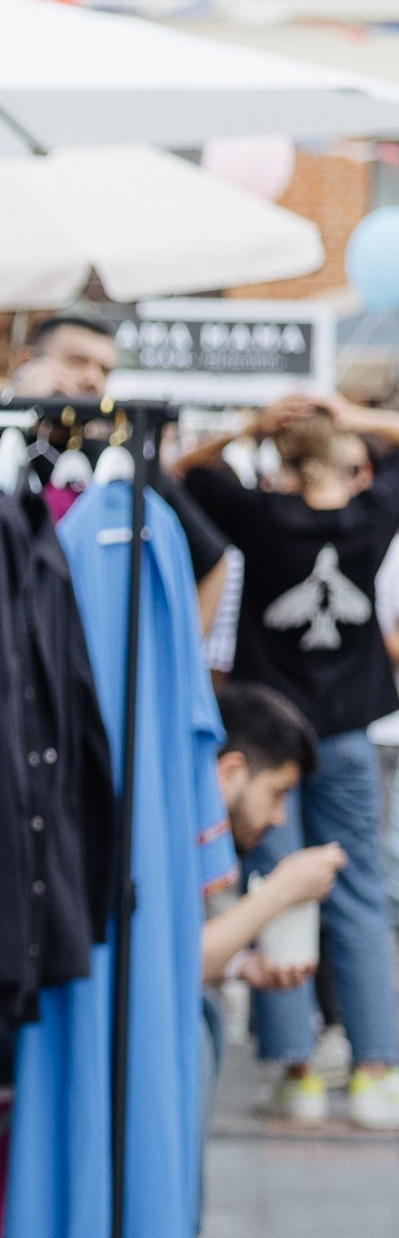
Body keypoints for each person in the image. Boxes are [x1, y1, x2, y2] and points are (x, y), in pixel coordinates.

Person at [178, 392, 399, 1129]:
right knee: (361, 889)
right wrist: (351, 416)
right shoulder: (373, 516)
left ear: (282, 458)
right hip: (345, 730)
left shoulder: (261, 516)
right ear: (343, 457)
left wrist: (247, 425)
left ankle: (300, 1071)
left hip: (272, 736)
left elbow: (174, 472)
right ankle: (373, 1073)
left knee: (275, 886)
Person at [185, 682, 345, 1238]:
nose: (279, 817)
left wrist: (247, 964)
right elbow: (182, 960)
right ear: (230, 772)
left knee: (205, 1016)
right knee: (193, 1021)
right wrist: (281, 891)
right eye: (276, 793)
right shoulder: (183, 812)